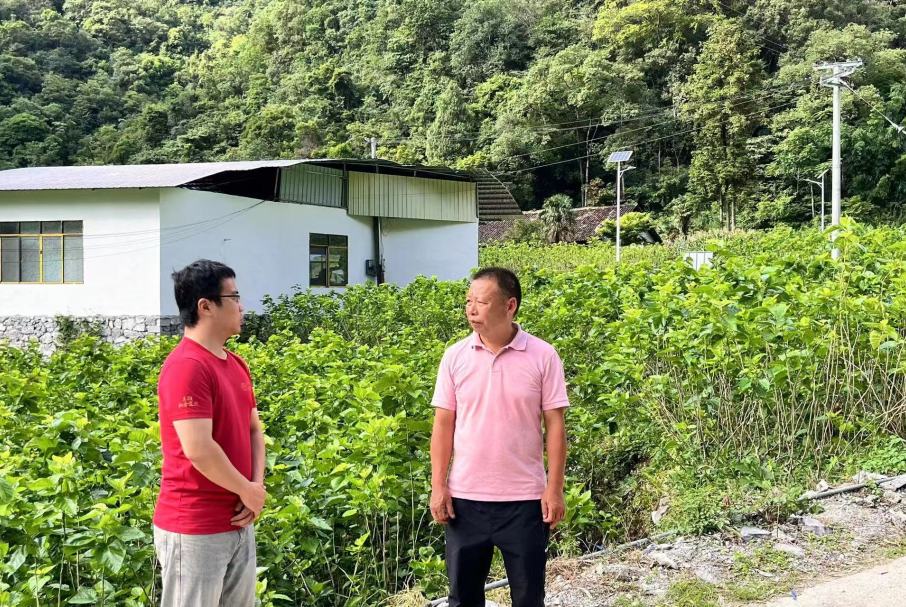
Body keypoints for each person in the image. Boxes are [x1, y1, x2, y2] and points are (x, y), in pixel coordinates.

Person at [430, 267, 569, 607]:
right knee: (462, 598)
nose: (471, 309)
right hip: (465, 501)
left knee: (528, 598)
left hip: (525, 501)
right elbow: (443, 425)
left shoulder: (543, 356)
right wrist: (438, 486)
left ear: (510, 306)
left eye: (481, 302)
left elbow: (555, 426)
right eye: (468, 301)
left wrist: (554, 489)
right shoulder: (455, 357)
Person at [152, 259, 267, 607]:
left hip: (239, 518)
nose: (241, 306)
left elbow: (254, 430)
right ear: (205, 306)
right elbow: (199, 448)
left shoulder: (236, 363)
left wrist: (255, 487)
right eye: (234, 297)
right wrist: (246, 489)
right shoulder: (187, 367)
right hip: (195, 526)